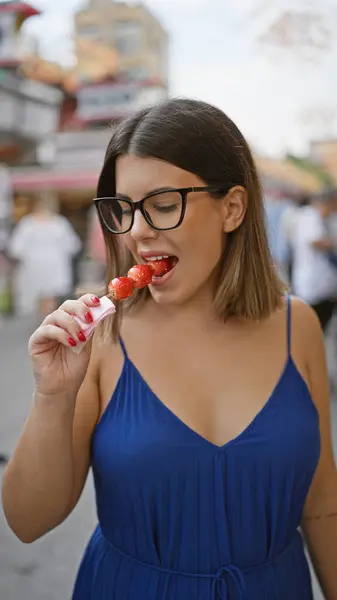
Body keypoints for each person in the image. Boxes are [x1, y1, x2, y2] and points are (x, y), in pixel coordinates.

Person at [2, 99, 337, 600]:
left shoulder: (298, 326)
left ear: (233, 208)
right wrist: (53, 395)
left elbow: (322, 503)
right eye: (123, 209)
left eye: (162, 204)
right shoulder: (101, 337)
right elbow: (28, 521)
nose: (137, 231)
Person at [7, 194, 82, 318]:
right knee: (50, 297)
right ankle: (48, 318)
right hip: (52, 266)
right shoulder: (59, 223)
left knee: (39, 298)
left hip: (34, 267)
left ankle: (42, 320)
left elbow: (16, 248)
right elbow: (73, 246)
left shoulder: (28, 224)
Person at [291, 191, 337, 332]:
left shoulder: (327, 219)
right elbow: (315, 241)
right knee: (309, 326)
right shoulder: (309, 217)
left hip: (325, 286)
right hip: (311, 284)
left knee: (322, 324)